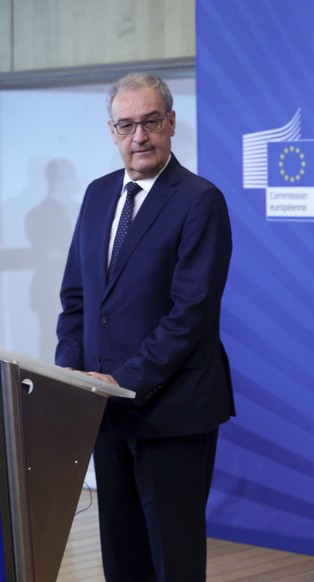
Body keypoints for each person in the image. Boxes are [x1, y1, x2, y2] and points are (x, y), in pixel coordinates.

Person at [55, 73, 234, 582]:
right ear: (112, 131)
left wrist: (124, 380)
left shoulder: (200, 201)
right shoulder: (96, 195)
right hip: (103, 409)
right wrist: (72, 375)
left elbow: (191, 314)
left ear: (171, 123)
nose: (140, 136)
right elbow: (77, 297)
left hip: (171, 410)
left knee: (171, 560)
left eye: (151, 122)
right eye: (127, 125)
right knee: (122, 553)